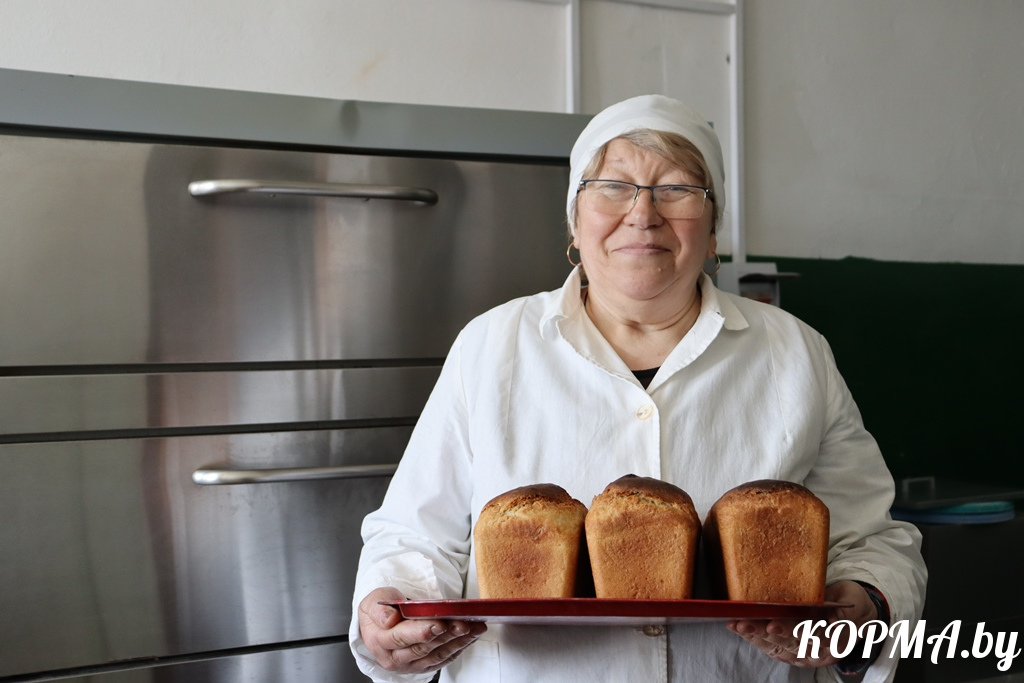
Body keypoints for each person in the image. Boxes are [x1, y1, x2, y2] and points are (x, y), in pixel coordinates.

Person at [349, 94, 926, 682]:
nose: (643, 213)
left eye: (677, 189)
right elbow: (413, 535)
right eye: (613, 186)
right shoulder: (492, 345)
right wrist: (391, 608)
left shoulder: (796, 352)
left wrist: (866, 606)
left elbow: (874, 540)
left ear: (713, 229)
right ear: (575, 222)